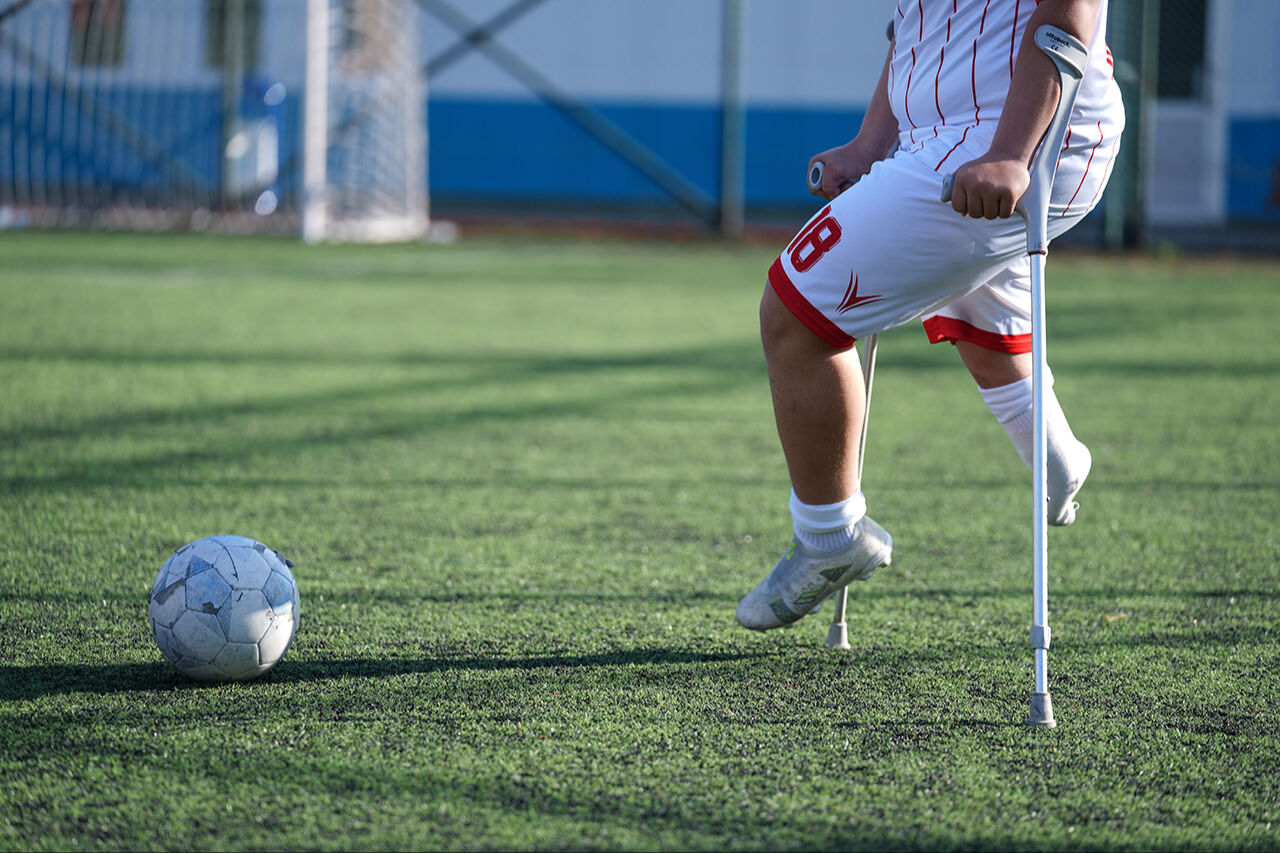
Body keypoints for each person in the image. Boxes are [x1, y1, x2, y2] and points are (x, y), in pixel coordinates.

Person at [737, 0, 1124, 631]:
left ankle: (829, 538)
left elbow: (1067, 15)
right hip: (948, 135)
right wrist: (871, 142)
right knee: (978, 319)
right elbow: (919, 28)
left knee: (796, 310)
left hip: (1016, 135)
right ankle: (1058, 459)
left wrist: (1012, 153)